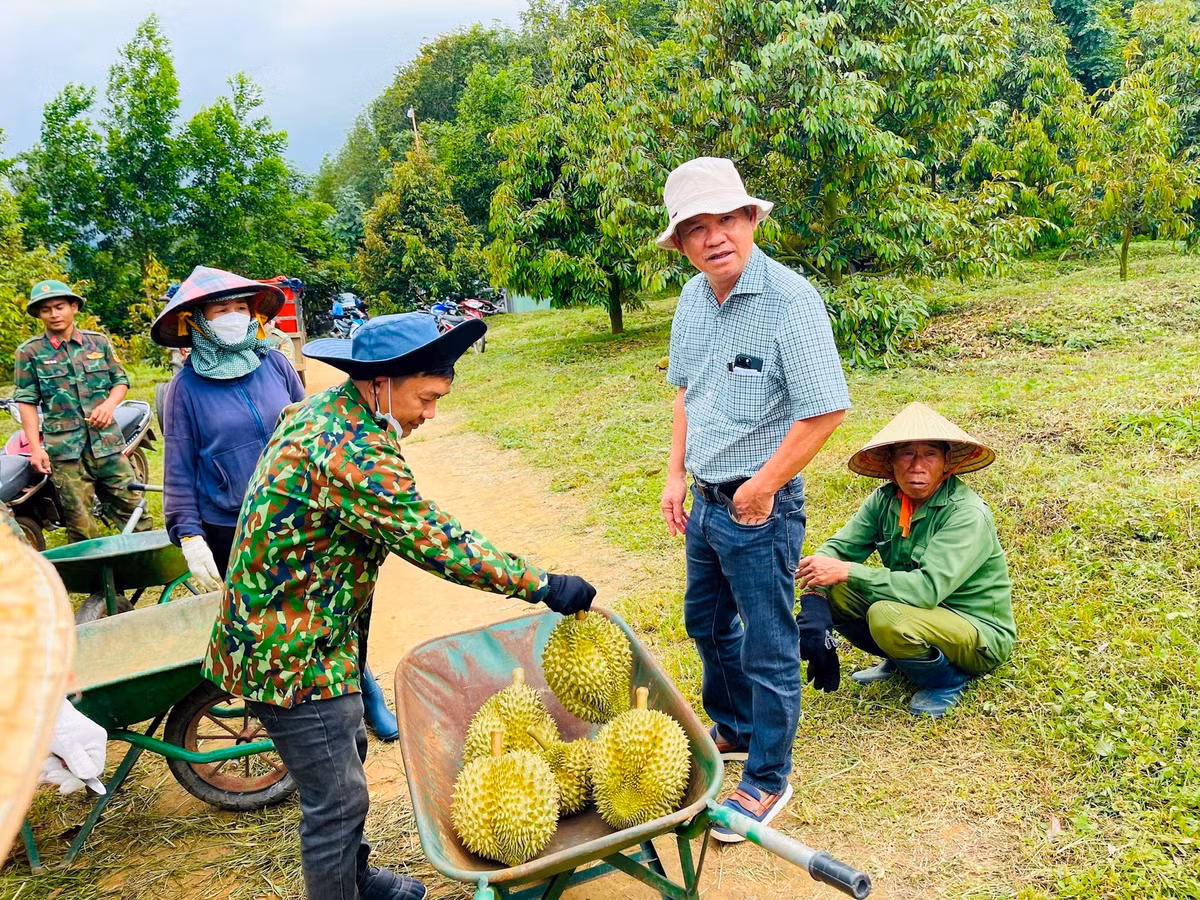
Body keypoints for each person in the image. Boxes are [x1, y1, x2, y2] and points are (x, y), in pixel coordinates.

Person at [202, 312, 598, 900]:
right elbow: (436, 540)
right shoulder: (350, 450)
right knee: (335, 800)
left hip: (316, 630)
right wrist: (542, 584)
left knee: (349, 752)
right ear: (382, 382)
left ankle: (357, 877)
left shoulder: (332, 410)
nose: (430, 414)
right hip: (288, 649)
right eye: (428, 397)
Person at [657, 157, 850, 841]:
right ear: (681, 242)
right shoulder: (690, 299)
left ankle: (768, 777)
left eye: (728, 220)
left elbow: (825, 411)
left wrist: (760, 489)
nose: (716, 238)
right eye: (697, 228)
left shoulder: (790, 302)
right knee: (706, 623)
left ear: (752, 220)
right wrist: (676, 474)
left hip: (760, 508)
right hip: (705, 501)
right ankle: (736, 728)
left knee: (769, 646)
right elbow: (688, 390)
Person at [152, 266, 398, 741]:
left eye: (241, 308)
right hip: (236, 529)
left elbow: (315, 426)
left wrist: (365, 439)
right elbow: (177, 464)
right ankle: (300, 719)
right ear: (198, 321)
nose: (233, 318)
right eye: (221, 310)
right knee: (278, 628)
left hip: (306, 517)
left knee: (335, 610)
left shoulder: (276, 364)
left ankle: (363, 687)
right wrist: (186, 531)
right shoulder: (185, 389)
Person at [795, 402, 1016, 718]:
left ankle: (946, 681)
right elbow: (835, 553)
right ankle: (902, 661)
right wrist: (816, 606)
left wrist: (847, 571)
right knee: (836, 586)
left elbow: (925, 590)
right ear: (890, 461)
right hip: (919, 612)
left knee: (886, 616)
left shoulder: (966, 514)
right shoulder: (885, 500)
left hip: (976, 630)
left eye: (929, 454)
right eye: (906, 454)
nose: (917, 465)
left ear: (946, 464)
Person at [12, 279, 149, 542]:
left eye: (60, 306)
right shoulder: (29, 352)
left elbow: (120, 381)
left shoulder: (98, 343)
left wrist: (109, 406)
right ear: (39, 315)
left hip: (107, 445)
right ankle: (102, 584)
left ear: (74, 307)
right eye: (46, 310)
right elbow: (27, 401)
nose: (54, 314)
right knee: (80, 525)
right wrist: (36, 448)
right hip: (65, 452)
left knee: (133, 511)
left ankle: (148, 571)